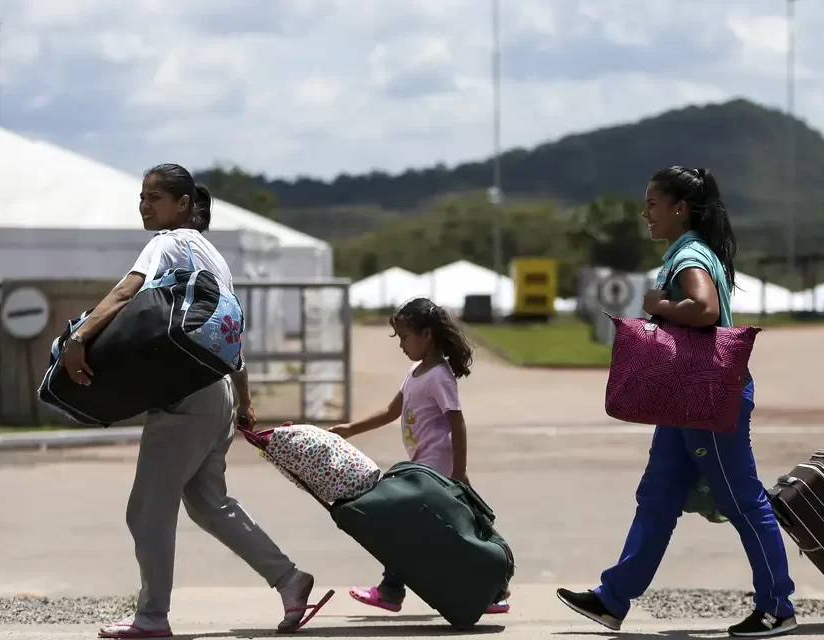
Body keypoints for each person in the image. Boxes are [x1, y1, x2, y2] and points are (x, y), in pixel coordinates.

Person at [60, 164, 331, 638]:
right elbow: (227, 334)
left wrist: (77, 338)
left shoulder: (167, 243)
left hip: (184, 396)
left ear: (183, 205)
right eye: (142, 197)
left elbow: (126, 293)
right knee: (208, 504)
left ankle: (151, 618)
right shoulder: (214, 257)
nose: (145, 206)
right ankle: (289, 579)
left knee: (147, 508)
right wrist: (243, 399)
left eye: (155, 198)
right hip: (216, 392)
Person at [555, 167, 798, 638]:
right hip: (684, 399)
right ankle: (612, 599)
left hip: (706, 397)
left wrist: (660, 306)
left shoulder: (689, 255)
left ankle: (777, 607)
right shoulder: (688, 252)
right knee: (657, 497)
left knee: (742, 501)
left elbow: (704, 310)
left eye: (652, 203)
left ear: (679, 208)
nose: (645, 211)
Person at [330, 297, 511, 614]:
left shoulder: (440, 376)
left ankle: (391, 590)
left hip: (436, 472)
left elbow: (458, 422)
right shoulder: (415, 372)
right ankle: (491, 593)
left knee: (406, 529)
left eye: (405, 337)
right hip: (422, 470)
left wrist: (459, 473)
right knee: (439, 535)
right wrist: (350, 429)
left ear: (426, 334)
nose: (401, 345)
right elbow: (391, 412)